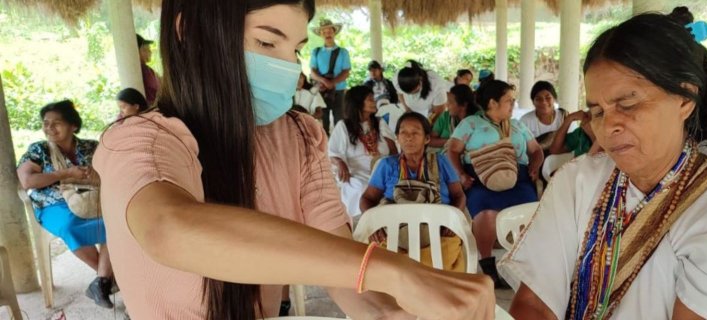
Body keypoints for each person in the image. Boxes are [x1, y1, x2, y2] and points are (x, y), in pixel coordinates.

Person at [92, 1, 495, 319]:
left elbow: (341, 269)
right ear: (189, 34)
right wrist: (392, 269)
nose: (288, 66)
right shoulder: (139, 142)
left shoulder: (299, 136)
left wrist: (392, 313)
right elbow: (168, 228)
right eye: (267, 43)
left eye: (297, 49)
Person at [500, 13, 707, 320]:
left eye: (628, 104)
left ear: (685, 98)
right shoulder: (577, 182)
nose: (609, 126)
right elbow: (534, 305)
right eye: (597, 111)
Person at [446, 80, 544, 288]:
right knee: (487, 214)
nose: (513, 105)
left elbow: (536, 150)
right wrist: (462, 175)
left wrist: (535, 167)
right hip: (481, 179)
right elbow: (452, 151)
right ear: (492, 103)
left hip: (518, 177)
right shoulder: (471, 124)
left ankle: (522, 262)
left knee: (530, 212)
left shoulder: (516, 125)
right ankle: (487, 262)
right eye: (509, 101)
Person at [17, 100, 114, 308]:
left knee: (115, 222)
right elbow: (27, 181)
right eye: (46, 123)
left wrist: (95, 176)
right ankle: (108, 279)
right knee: (69, 225)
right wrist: (66, 174)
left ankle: (101, 281)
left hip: (91, 199)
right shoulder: (39, 150)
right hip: (53, 204)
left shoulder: (91, 147)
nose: (49, 128)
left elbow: (111, 173)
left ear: (73, 126)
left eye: (56, 123)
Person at [360, 112, 468, 271]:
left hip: (438, 234)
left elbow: (459, 196)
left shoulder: (441, 162)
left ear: (427, 138)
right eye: (403, 132)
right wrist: (374, 225)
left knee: (440, 260)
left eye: (415, 132)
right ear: (397, 137)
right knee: (380, 261)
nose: (408, 137)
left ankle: (410, 274)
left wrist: (452, 223)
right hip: (394, 235)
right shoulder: (387, 165)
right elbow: (367, 199)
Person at [330, 85, 398, 217]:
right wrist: (340, 163)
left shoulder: (379, 123)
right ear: (358, 102)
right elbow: (332, 152)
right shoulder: (343, 126)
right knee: (362, 187)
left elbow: (393, 150)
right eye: (370, 99)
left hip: (382, 171)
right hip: (358, 173)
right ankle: (364, 221)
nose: (374, 102)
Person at [310, 18, 352, 133]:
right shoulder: (316, 52)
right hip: (321, 91)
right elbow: (312, 72)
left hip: (339, 91)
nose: (327, 34)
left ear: (334, 32)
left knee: (340, 122)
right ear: (321, 35)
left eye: (329, 31)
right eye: (324, 32)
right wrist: (324, 81)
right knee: (323, 123)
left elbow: (346, 72)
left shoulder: (343, 52)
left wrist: (332, 82)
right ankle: (324, 148)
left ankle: (340, 147)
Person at [520, 81, 568, 152]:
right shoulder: (525, 121)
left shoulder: (564, 118)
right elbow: (521, 148)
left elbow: (572, 145)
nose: (543, 102)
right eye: (538, 99)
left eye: (548, 98)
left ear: (554, 99)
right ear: (533, 102)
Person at [430, 84, 479, 148]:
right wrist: (451, 141)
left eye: (450, 102)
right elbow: (430, 140)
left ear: (464, 105)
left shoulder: (478, 119)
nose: (447, 105)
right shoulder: (445, 116)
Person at [137, 34, 160, 106]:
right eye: (145, 49)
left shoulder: (148, 70)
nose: (150, 52)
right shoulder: (141, 70)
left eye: (149, 49)